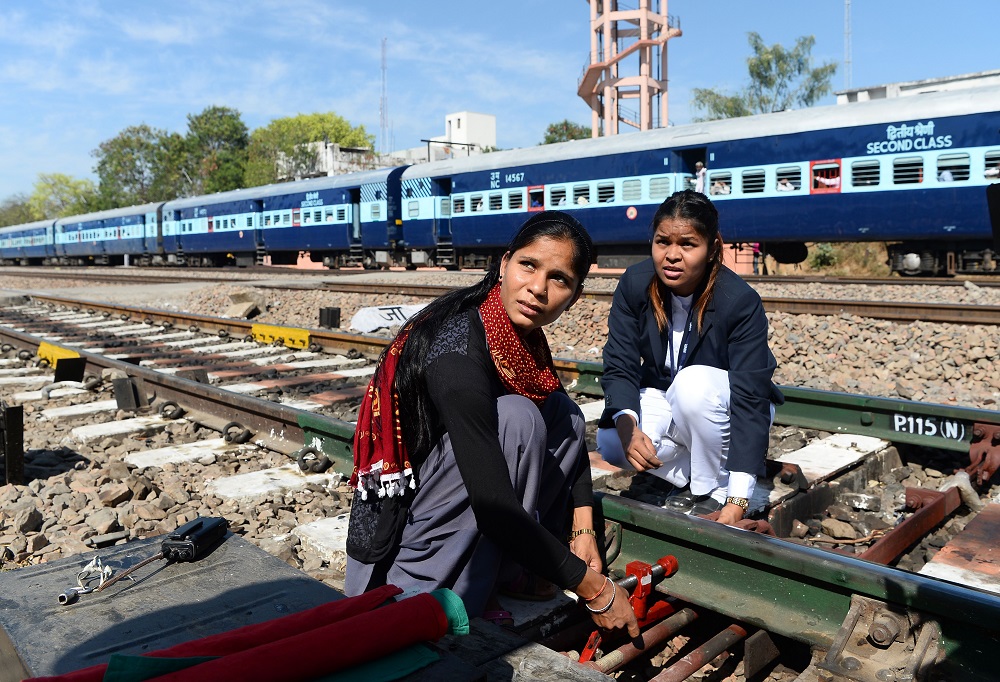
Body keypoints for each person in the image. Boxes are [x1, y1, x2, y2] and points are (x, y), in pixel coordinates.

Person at [345, 211, 639, 637]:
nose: (538, 288)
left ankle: (506, 569)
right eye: (528, 265)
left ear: (573, 297)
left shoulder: (518, 337)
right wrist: (596, 589)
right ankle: (456, 587)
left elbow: (566, 431)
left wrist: (583, 526)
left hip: (459, 500)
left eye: (559, 279)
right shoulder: (458, 349)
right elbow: (494, 506)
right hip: (403, 540)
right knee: (518, 420)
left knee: (563, 412)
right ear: (503, 265)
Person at [597, 190, 783, 525]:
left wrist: (738, 501)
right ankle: (690, 473)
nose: (671, 255)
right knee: (610, 440)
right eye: (662, 242)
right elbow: (620, 361)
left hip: (727, 403)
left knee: (692, 385)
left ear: (713, 248)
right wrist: (627, 423)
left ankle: (717, 486)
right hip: (670, 398)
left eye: (687, 244)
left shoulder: (739, 301)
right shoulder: (635, 285)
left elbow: (750, 396)